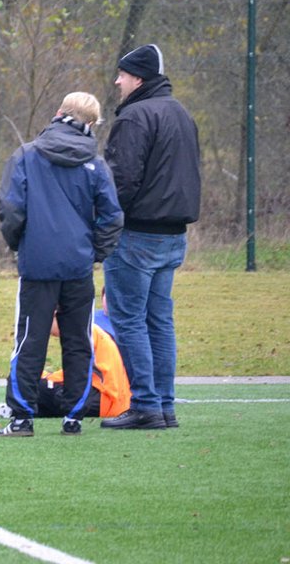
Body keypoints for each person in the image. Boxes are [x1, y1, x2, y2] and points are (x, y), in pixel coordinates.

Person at [0, 92, 123, 437]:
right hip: (78, 268)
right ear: (92, 124)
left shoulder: (26, 156)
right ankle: (74, 417)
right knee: (78, 340)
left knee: (29, 340)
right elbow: (111, 216)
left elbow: (10, 210)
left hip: (37, 266)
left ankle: (21, 418)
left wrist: (20, 245)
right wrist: (93, 252)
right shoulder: (95, 164)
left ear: (58, 113)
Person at [102, 44, 201, 430]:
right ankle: (164, 405)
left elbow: (121, 181)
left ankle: (145, 404)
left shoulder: (135, 116)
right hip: (174, 234)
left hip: (137, 233)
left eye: (122, 75)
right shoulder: (181, 113)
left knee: (129, 320)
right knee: (160, 320)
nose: (117, 81)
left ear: (138, 79)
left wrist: (104, 222)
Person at [0, 298, 130, 420]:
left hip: (102, 400)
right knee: (42, 386)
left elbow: (76, 372)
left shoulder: (83, 333)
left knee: (28, 380)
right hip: (110, 400)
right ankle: (33, 409)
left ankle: (23, 409)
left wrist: (47, 378)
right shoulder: (87, 330)